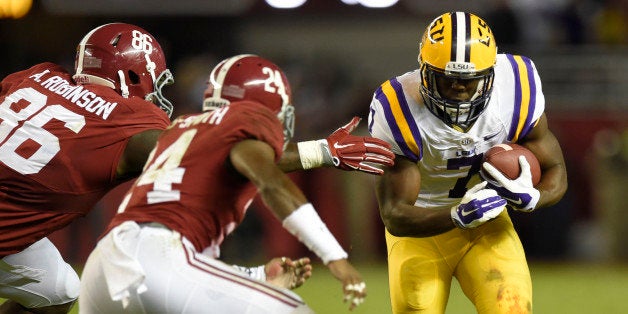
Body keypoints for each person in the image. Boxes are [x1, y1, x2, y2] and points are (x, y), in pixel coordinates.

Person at [0, 23, 393, 313]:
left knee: (56, 288)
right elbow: (214, 153)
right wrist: (321, 151)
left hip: (37, 231)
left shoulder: (33, 77)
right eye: (153, 82)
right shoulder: (128, 119)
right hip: (18, 229)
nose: (156, 93)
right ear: (131, 75)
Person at [78, 54, 369, 313]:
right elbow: (273, 183)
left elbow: (185, 261)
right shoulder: (247, 117)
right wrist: (335, 258)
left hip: (103, 268)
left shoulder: (182, 128)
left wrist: (256, 277)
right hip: (154, 261)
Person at [367, 11, 568, 314]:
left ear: (491, 73)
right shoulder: (397, 107)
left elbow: (555, 170)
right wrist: (457, 215)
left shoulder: (515, 85)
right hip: (420, 231)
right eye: (447, 79)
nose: (458, 88)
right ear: (424, 70)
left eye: (469, 80)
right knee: (416, 308)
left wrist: (534, 198)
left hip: (488, 224)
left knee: (511, 307)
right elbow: (394, 214)